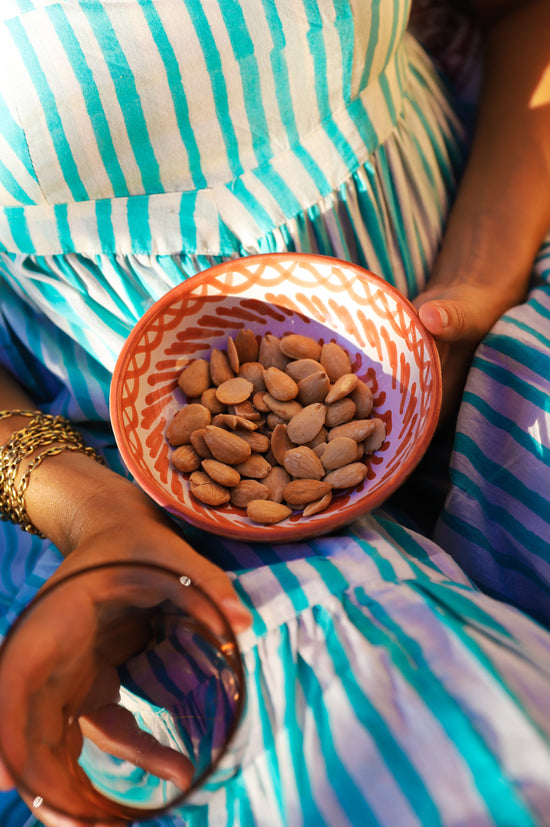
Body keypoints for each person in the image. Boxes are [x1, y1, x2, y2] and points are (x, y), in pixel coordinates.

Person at [0, 0, 550, 825]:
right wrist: (83, 508)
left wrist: (476, 289)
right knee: (416, 745)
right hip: (128, 464)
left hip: (480, 264)